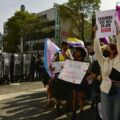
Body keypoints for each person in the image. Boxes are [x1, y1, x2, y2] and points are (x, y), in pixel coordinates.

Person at [94, 25, 120, 120]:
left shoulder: (118, 59)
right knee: (106, 115)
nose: (105, 50)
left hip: (118, 89)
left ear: (113, 50)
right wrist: (96, 35)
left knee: (116, 114)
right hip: (105, 90)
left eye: (107, 49)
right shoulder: (103, 61)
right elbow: (97, 50)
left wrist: (117, 34)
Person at [51, 41, 73, 112]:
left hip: (67, 76)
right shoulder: (57, 54)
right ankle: (58, 105)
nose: (67, 48)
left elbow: (72, 62)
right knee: (58, 91)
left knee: (67, 91)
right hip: (59, 76)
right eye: (65, 47)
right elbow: (52, 64)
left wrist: (67, 56)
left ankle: (67, 106)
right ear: (62, 46)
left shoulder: (69, 54)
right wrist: (52, 67)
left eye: (67, 47)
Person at [71, 47, 87, 120]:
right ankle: (74, 112)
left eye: (78, 52)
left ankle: (81, 112)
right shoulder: (73, 61)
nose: (76, 53)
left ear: (81, 53)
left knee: (80, 97)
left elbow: (86, 72)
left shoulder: (85, 61)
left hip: (81, 82)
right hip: (74, 81)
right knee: (74, 97)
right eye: (76, 52)